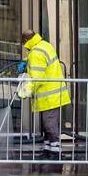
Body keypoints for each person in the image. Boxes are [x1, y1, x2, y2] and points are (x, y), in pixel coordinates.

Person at [17, 30, 71, 160]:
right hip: (53, 94)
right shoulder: (44, 45)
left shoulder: (35, 53)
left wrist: (24, 92)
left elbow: (36, 79)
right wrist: (26, 61)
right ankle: (48, 149)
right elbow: (39, 60)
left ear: (26, 41)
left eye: (23, 43)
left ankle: (55, 152)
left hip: (48, 96)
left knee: (49, 124)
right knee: (47, 124)